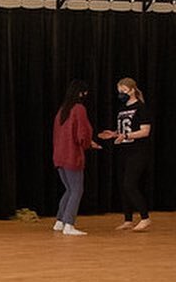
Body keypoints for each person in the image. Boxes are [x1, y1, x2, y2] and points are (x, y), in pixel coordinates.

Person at [98, 77, 152, 231]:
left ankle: (145, 217)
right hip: (124, 150)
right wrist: (114, 134)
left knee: (130, 184)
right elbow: (125, 129)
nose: (121, 94)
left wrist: (126, 136)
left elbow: (145, 131)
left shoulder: (141, 107)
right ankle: (128, 219)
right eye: (119, 91)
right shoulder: (122, 108)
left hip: (138, 151)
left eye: (124, 91)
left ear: (132, 90)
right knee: (123, 186)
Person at [51, 80, 99, 236]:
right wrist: (89, 144)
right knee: (77, 190)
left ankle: (59, 221)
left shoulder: (62, 111)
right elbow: (82, 134)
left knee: (69, 189)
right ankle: (69, 224)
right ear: (80, 93)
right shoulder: (79, 109)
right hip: (72, 156)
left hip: (59, 156)